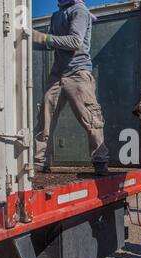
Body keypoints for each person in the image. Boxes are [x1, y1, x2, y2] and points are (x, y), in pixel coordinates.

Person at [32, 0, 109, 175]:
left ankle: (100, 161)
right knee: (44, 120)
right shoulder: (57, 15)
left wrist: (43, 37)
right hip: (57, 74)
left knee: (91, 120)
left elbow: (75, 42)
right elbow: (51, 44)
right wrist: (27, 38)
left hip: (77, 73)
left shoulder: (79, 11)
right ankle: (40, 162)